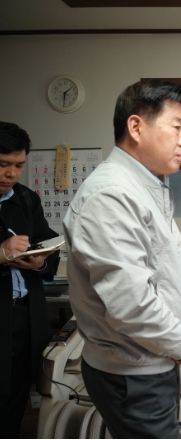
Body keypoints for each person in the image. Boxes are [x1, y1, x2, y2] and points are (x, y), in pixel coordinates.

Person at [63, 80, 181, 438]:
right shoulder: (111, 195)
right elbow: (131, 304)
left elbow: (169, 268)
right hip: (132, 371)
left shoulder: (147, 186)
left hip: (152, 358)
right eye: (177, 128)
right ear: (136, 126)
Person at [0, 121, 60, 438]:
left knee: (18, 396)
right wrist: (1, 253)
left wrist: (40, 261)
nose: (11, 174)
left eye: (18, 165)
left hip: (26, 315)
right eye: (3, 164)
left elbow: (46, 242)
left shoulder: (26, 199)